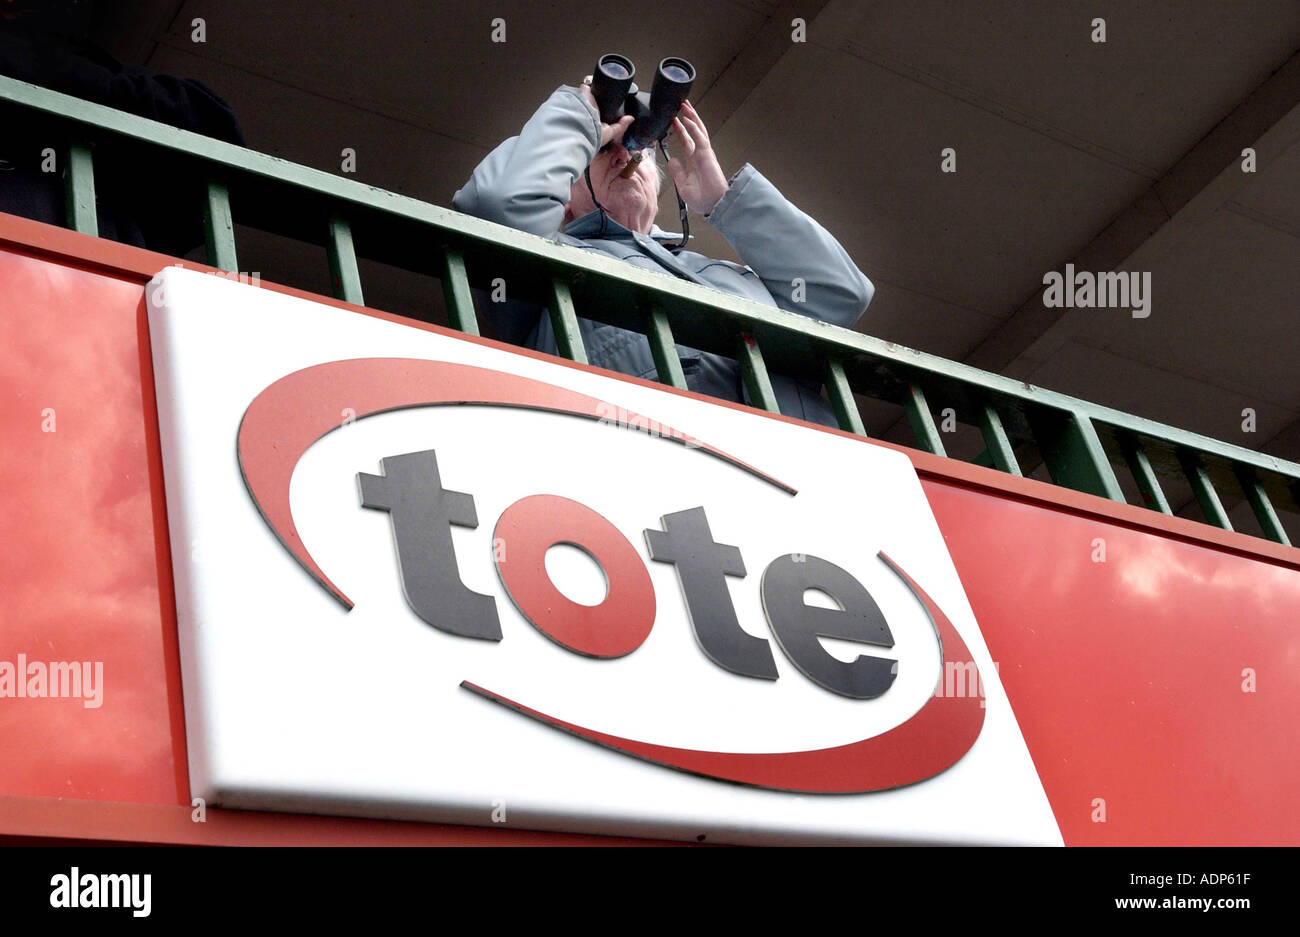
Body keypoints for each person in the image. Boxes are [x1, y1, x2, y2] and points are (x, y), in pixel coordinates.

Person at [452, 76, 873, 427]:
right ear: (562, 193)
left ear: (657, 181)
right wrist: (580, 115)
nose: (624, 154)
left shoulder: (727, 274)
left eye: (638, 146)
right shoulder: (546, 263)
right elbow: (493, 209)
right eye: (603, 149)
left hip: (797, 476)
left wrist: (724, 200)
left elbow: (839, 296)